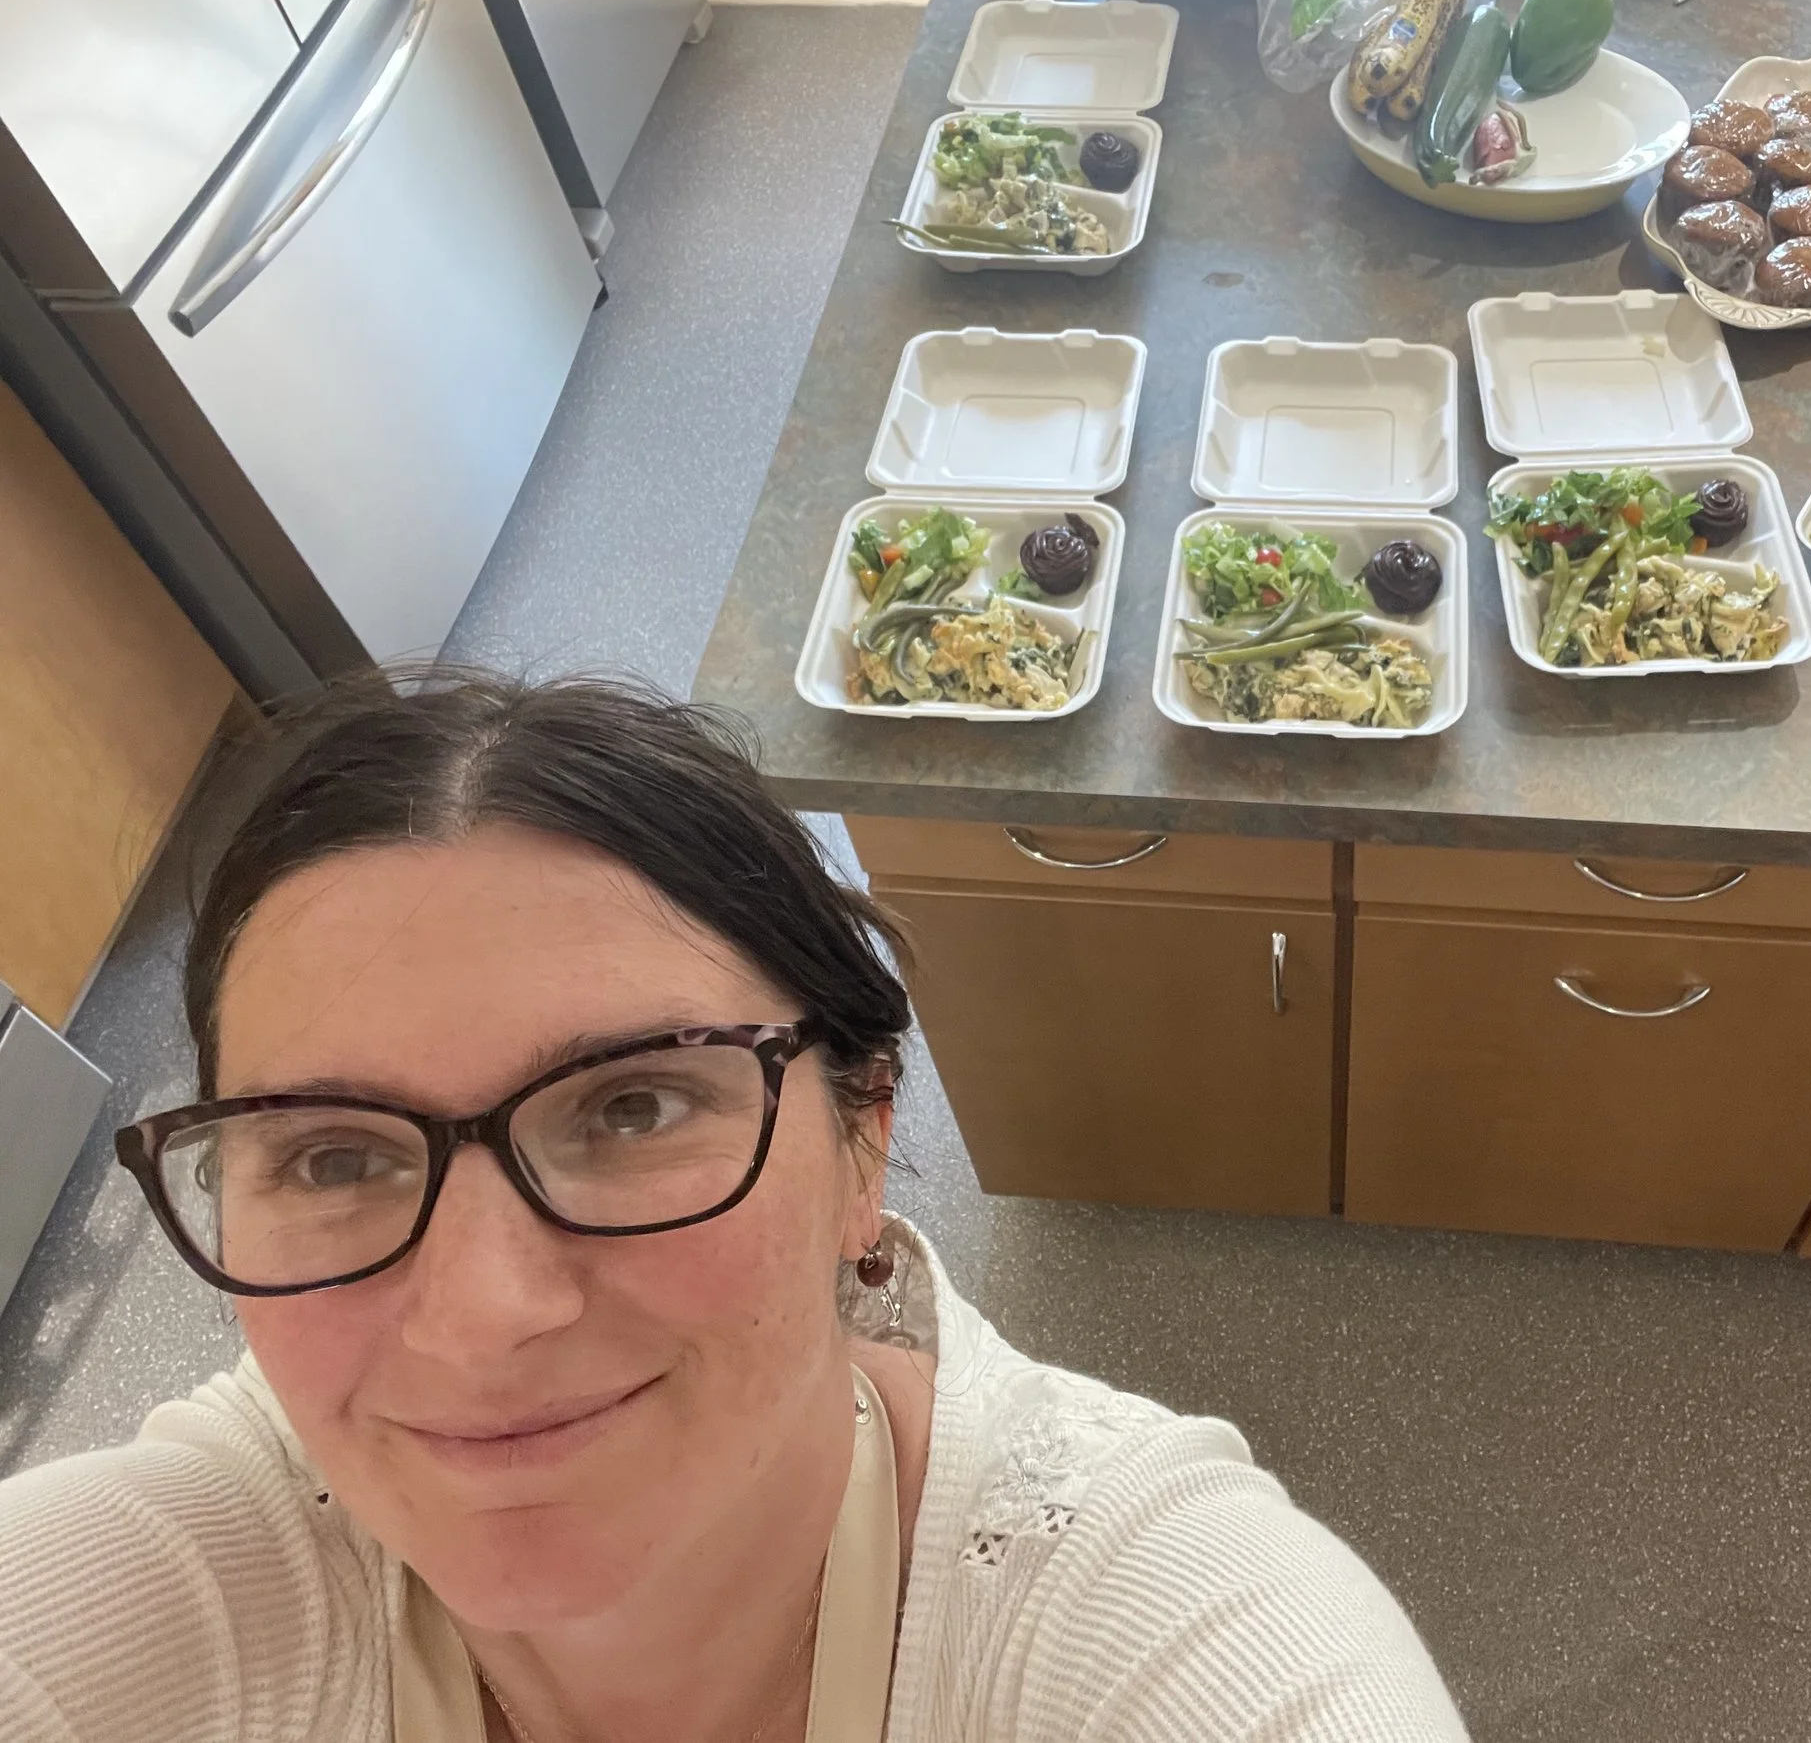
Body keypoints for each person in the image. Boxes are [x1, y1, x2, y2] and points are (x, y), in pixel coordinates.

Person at [0, 674, 1466, 1743]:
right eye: (333, 1158)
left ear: (862, 1137)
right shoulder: (155, 1593)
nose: (486, 1316)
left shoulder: (1164, 1626)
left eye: (632, 1108)